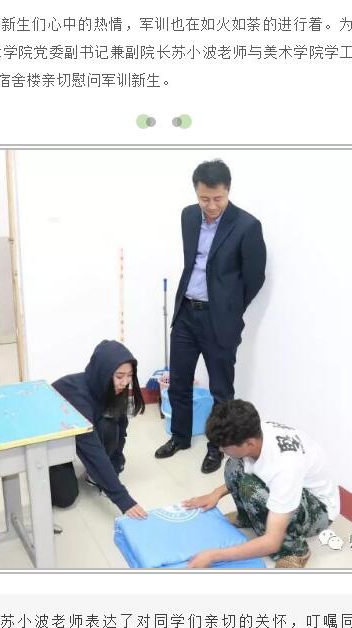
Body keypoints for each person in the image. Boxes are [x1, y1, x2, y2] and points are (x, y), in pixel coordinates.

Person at [155, 159, 267, 474]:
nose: (211, 205)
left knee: (221, 390)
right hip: (186, 312)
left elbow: (255, 277)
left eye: (218, 198)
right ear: (196, 193)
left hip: (220, 321)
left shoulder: (247, 226)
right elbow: (193, 262)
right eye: (204, 198)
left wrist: (230, 308)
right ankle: (179, 437)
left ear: (228, 191)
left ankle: (216, 448)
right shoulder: (189, 216)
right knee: (178, 381)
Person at [182, 400, 340, 569]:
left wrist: (214, 556)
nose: (221, 450)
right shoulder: (254, 431)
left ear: (249, 443)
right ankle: (246, 518)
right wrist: (215, 494)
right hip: (293, 488)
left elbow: (272, 542)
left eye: (224, 447)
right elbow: (251, 468)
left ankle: (295, 551)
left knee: (251, 488)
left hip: (319, 509)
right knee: (234, 464)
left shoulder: (284, 468)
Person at [49, 340, 148, 519]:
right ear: (104, 373)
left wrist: (115, 465)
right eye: (119, 376)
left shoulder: (114, 388)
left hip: (83, 426)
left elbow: (121, 428)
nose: (125, 382)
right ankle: (57, 466)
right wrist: (123, 499)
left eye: (129, 375)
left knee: (110, 423)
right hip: (53, 435)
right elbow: (92, 450)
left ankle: (96, 475)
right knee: (65, 498)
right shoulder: (77, 394)